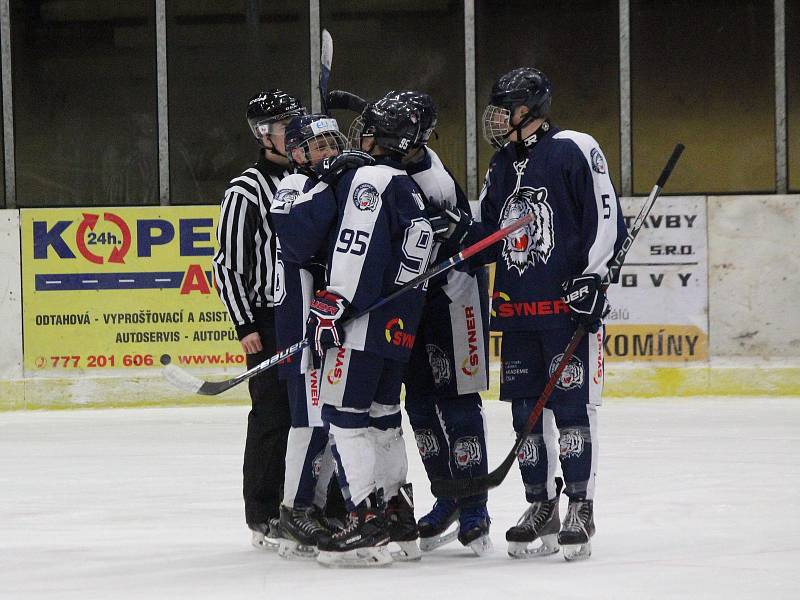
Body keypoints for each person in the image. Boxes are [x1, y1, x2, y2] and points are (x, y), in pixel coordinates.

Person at [465, 67, 627, 561]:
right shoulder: (500, 166)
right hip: (516, 312)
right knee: (523, 416)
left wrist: (594, 276)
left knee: (571, 409)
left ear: (530, 111)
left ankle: (581, 503)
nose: (496, 119)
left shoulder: (574, 148)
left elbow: (604, 216)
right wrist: (456, 240)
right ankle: (541, 503)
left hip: (564, 310)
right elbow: (487, 235)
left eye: (505, 110)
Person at [307, 96, 435, 567]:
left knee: (343, 418)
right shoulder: (409, 186)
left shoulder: (371, 179)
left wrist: (333, 303)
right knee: (383, 419)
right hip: (397, 328)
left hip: (360, 326)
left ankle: (364, 520)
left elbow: (355, 247)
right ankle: (399, 517)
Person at [374, 90, 493, 556]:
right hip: (411, 306)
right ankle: (446, 496)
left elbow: (471, 240)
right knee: (420, 407)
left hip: (452, 300)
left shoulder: (431, 178)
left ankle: (475, 505)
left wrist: (452, 228)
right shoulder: (396, 162)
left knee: (458, 403)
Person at [212, 89, 305, 551]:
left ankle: (305, 505)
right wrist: (245, 325)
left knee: (311, 416)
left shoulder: (308, 178)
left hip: (309, 318)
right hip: (268, 321)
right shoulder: (245, 190)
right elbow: (228, 265)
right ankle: (263, 512)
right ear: (263, 134)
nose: (294, 130)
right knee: (272, 416)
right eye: (286, 123)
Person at [269, 113, 359, 559]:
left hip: (333, 326)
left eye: (332, 144)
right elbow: (299, 240)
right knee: (309, 424)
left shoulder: (341, 182)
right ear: (298, 154)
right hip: (302, 330)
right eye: (317, 146)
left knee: (331, 424)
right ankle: (294, 510)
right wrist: (329, 184)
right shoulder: (290, 187)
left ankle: (317, 507)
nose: (328, 153)